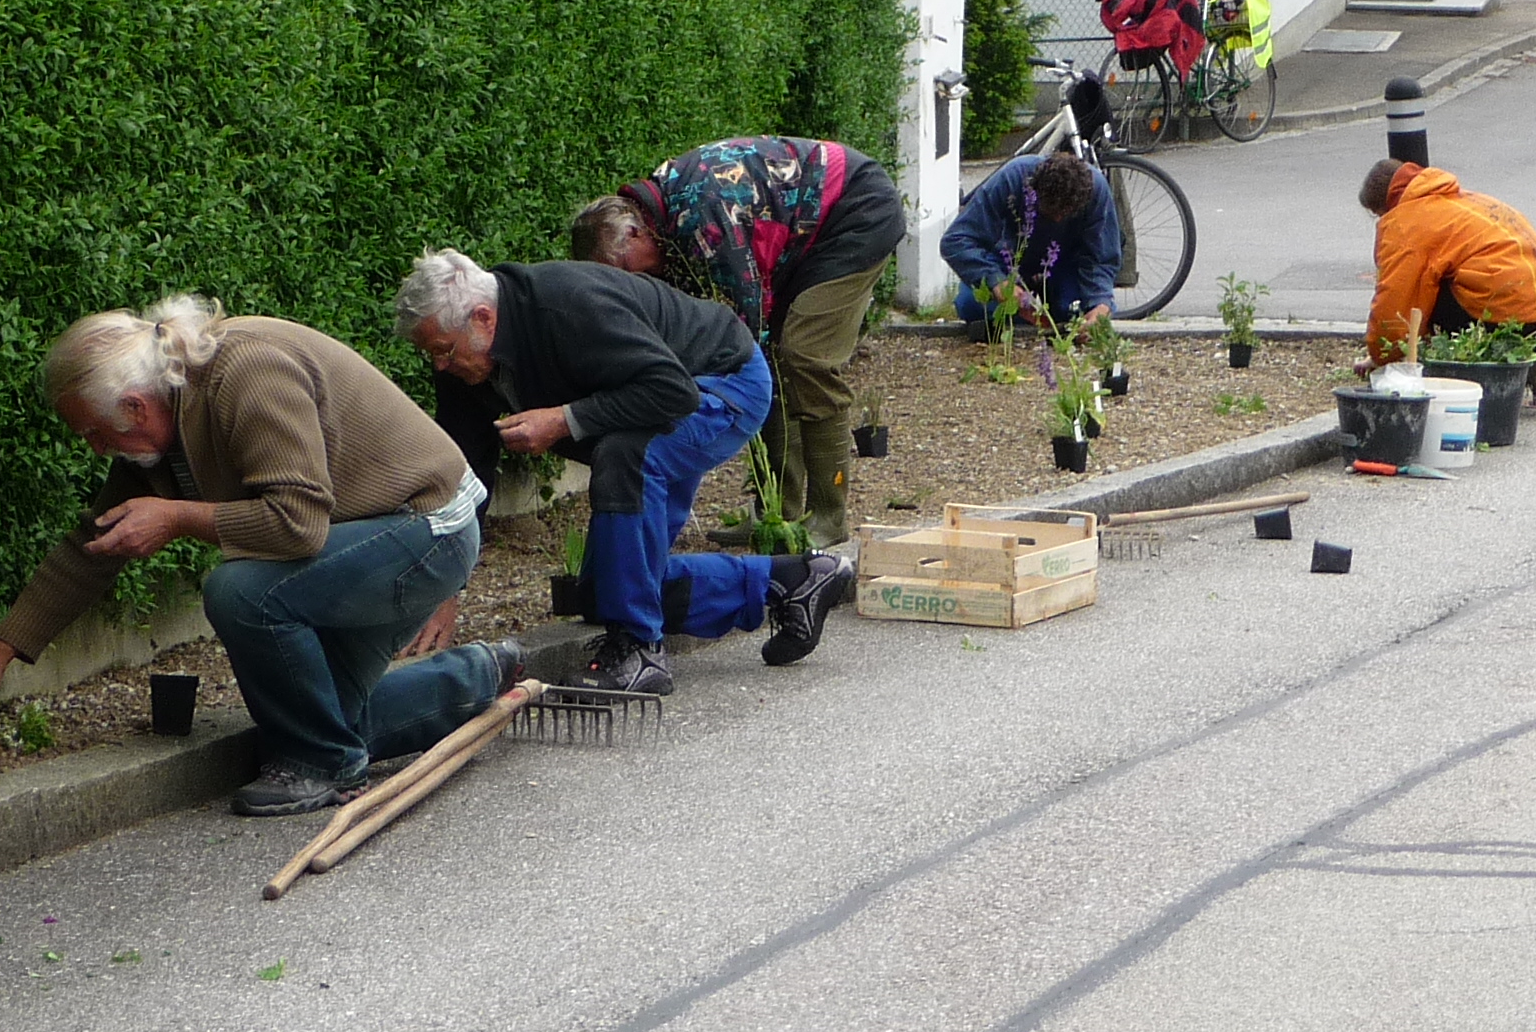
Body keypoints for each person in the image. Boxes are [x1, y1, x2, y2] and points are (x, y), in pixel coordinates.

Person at [0, 296, 513, 818]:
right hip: (378, 532)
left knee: (241, 593)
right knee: (322, 720)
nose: (99, 450)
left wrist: (178, 517)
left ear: (134, 406)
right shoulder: (159, 422)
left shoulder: (247, 374)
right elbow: (92, 545)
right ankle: (481, 674)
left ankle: (324, 766)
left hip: (429, 529)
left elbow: (297, 523)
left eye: (95, 434)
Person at [396, 249, 853, 696]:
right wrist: (448, 585)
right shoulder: (463, 363)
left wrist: (562, 420)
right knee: (600, 591)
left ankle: (637, 648)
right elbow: (466, 472)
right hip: (657, 399)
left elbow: (672, 392)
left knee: (625, 455)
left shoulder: (569, 308)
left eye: (443, 351)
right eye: (431, 354)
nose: (439, 365)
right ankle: (789, 581)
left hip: (722, 381)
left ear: (483, 318)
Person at [570, 136, 905, 547]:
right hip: (807, 228)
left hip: (856, 209)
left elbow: (744, 337)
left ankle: (829, 517)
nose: (631, 284)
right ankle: (778, 510)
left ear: (636, 233)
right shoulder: (665, 218)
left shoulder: (702, 218)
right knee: (774, 364)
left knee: (804, 356)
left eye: (623, 270)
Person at [1360, 158, 1536, 413]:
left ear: (1384, 204)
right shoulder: (1467, 200)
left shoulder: (1407, 222)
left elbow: (1396, 301)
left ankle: (1456, 374)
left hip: (1510, 318)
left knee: (1425, 291)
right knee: (1451, 278)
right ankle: (1532, 359)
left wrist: (1385, 359)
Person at [939, 148, 1121, 334]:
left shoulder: (1096, 190)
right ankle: (1022, 321)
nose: (1057, 220)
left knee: (1075, 312)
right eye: (1050, 213)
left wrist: (1100, 304)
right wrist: (995, 281)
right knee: (971, 305)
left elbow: (1102, 257)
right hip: (1008, 262)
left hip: (1065, 266)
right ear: (1033, 189)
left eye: (1064, 214)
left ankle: (1046, 321)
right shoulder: (1012, 177)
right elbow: (956, 239)